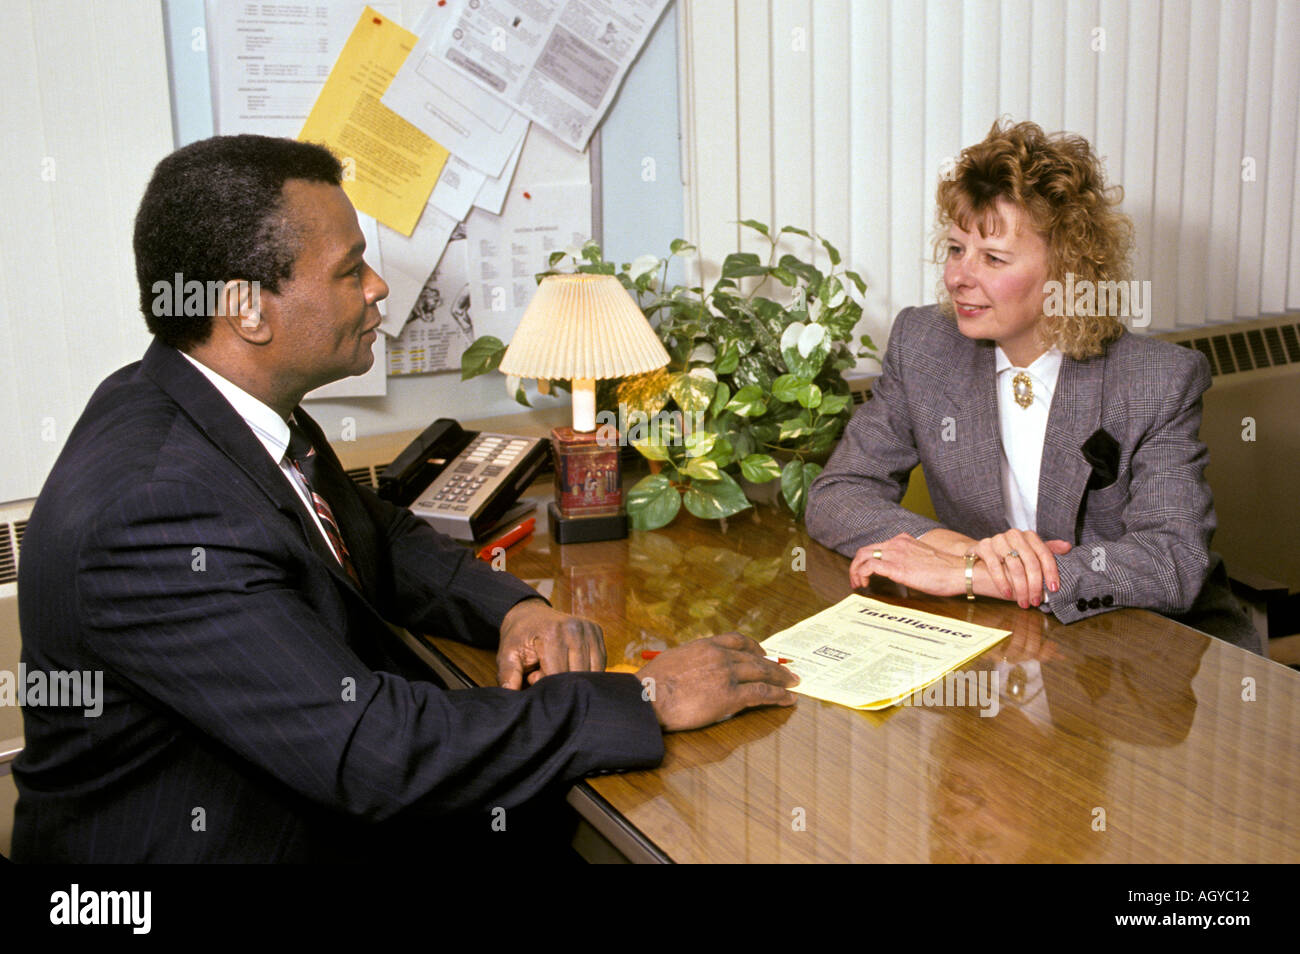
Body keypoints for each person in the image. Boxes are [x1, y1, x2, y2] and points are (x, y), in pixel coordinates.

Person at [12, 135, 798, 863]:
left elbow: (375, 532)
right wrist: (645, 696)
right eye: (351, 269)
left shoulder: (214, 401)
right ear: (246, 309)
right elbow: (371, 750)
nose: (380, 287)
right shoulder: (154, 508)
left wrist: (513, 610)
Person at [806, 119, 1261, 655]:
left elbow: (1171, 561)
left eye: (993, 258)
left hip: (1147, 662)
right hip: (1014, 643)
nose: (958, 277)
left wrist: (981, 576)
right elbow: (838, 494)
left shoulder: (1156, 380)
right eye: (956, 249)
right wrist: (966, 553)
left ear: (1066, 273)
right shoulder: (924, 344)